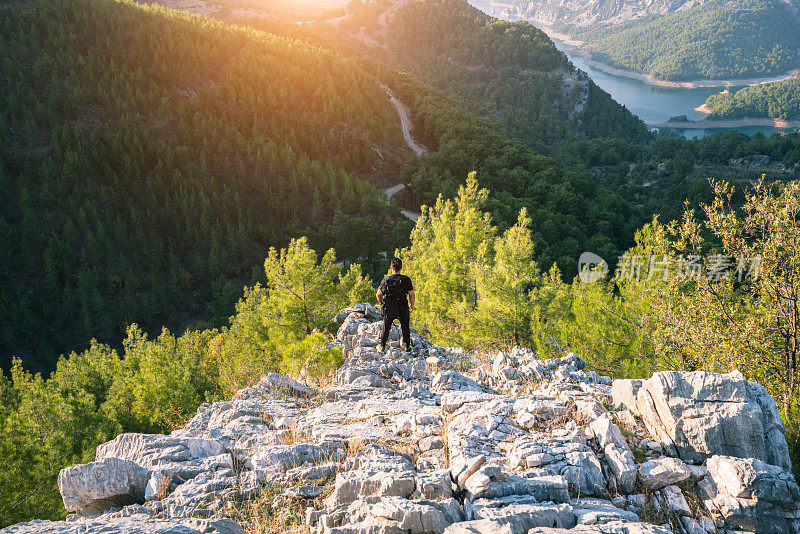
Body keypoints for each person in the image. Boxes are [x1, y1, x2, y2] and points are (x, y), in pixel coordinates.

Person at [376, 257, 415, 352]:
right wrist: (412, 305)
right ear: (401, 268)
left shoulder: (386, 280)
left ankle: (382, 346)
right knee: (405, 326)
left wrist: (381, 303)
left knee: (386, 327)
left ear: (391, 267)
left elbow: (378, 294)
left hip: (389, 308)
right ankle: (407, 347)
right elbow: (411, 294)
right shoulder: (406, 279)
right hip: (402, 307)